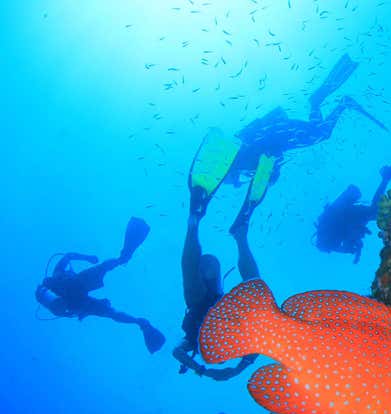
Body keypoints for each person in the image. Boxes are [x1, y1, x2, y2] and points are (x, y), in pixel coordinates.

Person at [222, 53, 387, 202]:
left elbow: (272, 155)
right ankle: (321, 102)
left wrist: (270, 177)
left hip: (283, 134)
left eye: (240, 179)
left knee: (321, 133)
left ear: (234, 171)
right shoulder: (245, 154)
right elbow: (271, 156)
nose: (244, 179)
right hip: (282, 133)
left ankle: (338, 103)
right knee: (319, 131)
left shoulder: (247, 161)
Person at [173, 129, 262, 380]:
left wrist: (203, 370)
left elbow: (176, 352)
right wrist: (236, 369)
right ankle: (240, 234)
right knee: (257, 292)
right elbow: (256, 349)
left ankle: (194, 220)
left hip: (203, 294)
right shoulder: (241, 338)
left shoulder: (191, 342)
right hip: (214, 289)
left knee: (192, 289)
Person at [35, 217, 166, 353]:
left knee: (111, 313)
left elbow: (63, 311)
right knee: (105, 267)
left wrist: (80, 312)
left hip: (76, 303)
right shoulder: (58, 272)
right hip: (76, 285)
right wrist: (88, 257)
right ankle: (125, 255)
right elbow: (68, 255)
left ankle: (141, 323)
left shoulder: (56, 281)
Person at [314, 147, 391, 263]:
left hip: (350, 214)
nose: (335, 249)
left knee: (374, 212)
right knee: (375, 213)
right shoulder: (329, 237)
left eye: (331, 249)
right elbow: (349, 241)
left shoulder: (330, 239)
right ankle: (390, 181)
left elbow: (348, 234)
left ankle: (387, 178)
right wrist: (355, 251)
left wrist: (352, 247)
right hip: (350, 214)